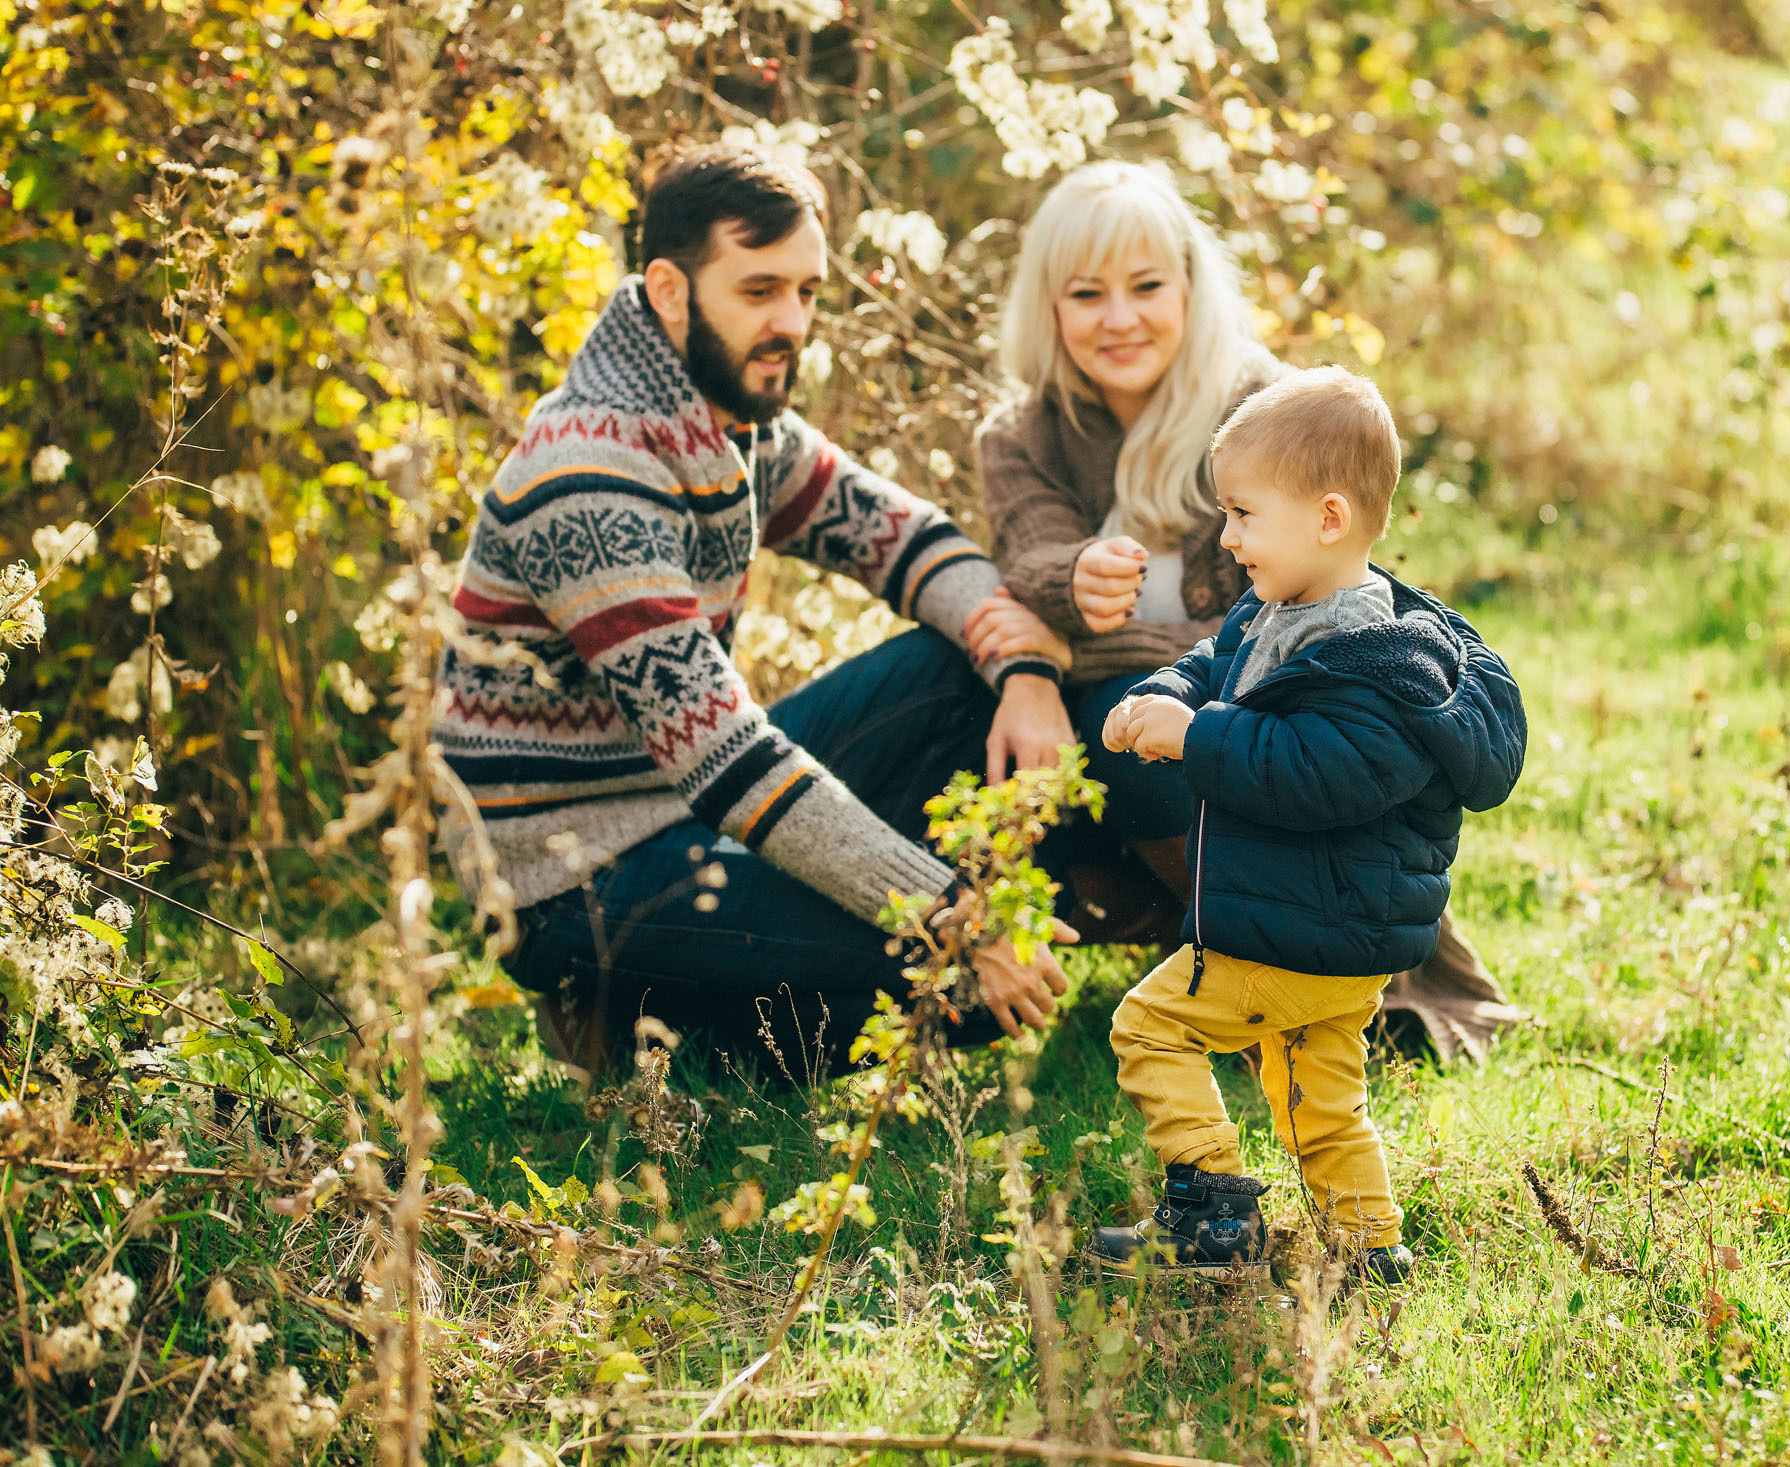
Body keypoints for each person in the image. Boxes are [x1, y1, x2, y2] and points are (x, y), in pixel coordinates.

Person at [435, 144, 1082, 1080]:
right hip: (569, 877)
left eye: (809, 293)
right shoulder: (589, 475)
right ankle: (639, 1022)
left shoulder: (728, 422)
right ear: (668, 289)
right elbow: (728, 756)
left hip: (682, 811)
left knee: (957, 674)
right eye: (760, 290)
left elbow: (909, 541)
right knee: (963, 990)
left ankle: (687, 1006)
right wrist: (951, 912)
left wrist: (1025, 673)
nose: (792, 323)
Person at [975, 160, 1522, 1060]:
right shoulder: (1021, 434)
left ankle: (1288, 957)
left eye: (1148, 286)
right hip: (1146, 737)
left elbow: (1285, 630)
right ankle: (1163, 940)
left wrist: (1071, 645)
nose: (1120, 317)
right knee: (1073, 724)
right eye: (1087, 293)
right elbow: (1028, 547)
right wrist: (1065, 586)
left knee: (1151, 728)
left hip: (1270, 732)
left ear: (1190, 287)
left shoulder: (1259, 410)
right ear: (1050, 305)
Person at [1087, 368, 1527, 1283]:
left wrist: (1198, 739)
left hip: (1300, 932)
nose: (1227, 536)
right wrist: (1166, 694)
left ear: (1329, 518)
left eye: (1244, 514)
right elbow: (1216, 660)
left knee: (1150, 1028)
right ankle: (1372, 1251)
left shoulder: (1380, 666)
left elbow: (1314, 773)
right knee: (1316, 1101)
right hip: (1332, 934)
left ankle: (1212, 1219)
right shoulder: (1286, 609)